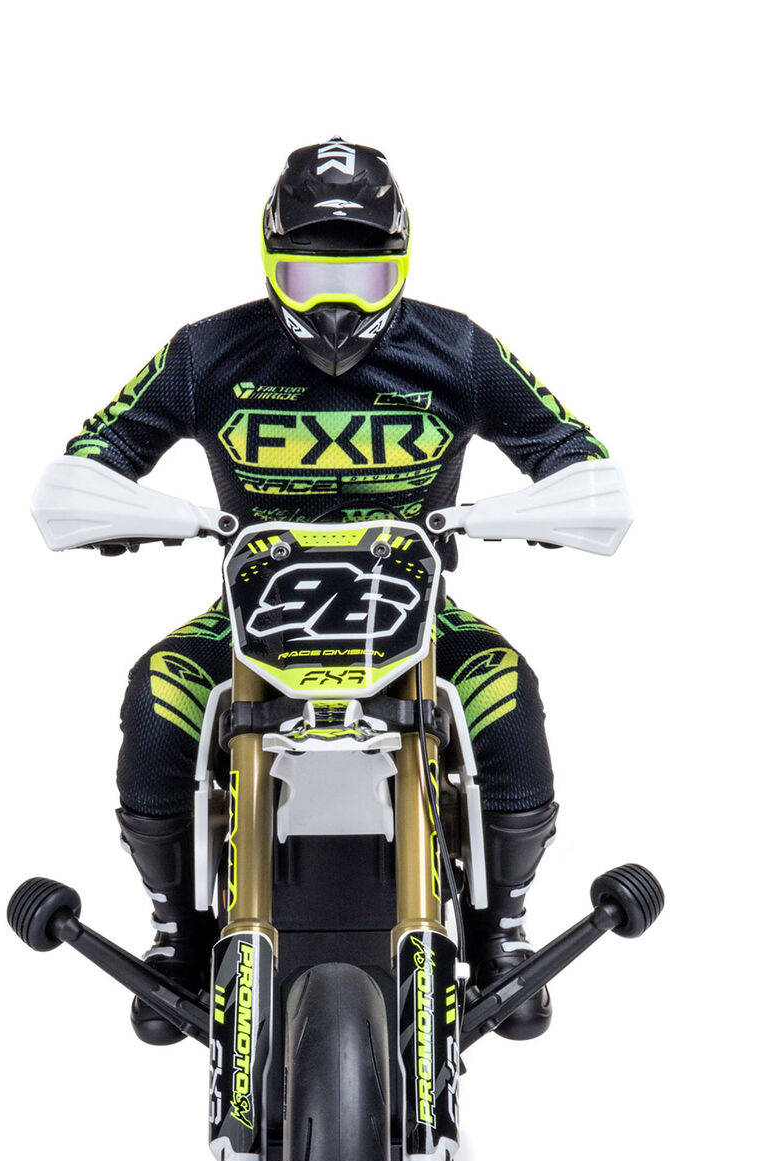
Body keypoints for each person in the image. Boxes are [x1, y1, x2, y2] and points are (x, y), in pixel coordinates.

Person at [59, 140, 620, 1045]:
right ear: (268, 261)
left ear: (401, 262)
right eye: (309, 273)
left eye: (361, 277)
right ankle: (177, 933)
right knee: (158, 700)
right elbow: (98, 449)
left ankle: (503, 928)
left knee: (506, 697)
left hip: (420, 616)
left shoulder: (457, 349)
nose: (334, 302)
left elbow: (572, 450)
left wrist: (556, 502)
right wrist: (104, 499)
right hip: (249, 619)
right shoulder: (207, 352)